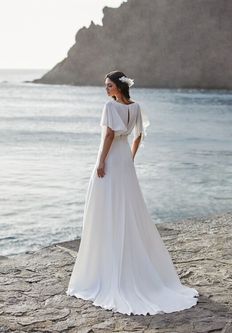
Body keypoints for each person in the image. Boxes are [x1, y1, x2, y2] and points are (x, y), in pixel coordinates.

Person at [66, 70, 199, 316]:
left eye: (109, 86)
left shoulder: (110, 106)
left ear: (118, 86)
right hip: (125, 160)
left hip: (111, 159)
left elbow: (107, 135)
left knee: (105, 208)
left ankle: (105, 266)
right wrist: (131, 157)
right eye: (105, 86)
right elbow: (139, 135)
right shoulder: (136, 107)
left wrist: (101, 162)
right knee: (127, 207)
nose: (106, 90)